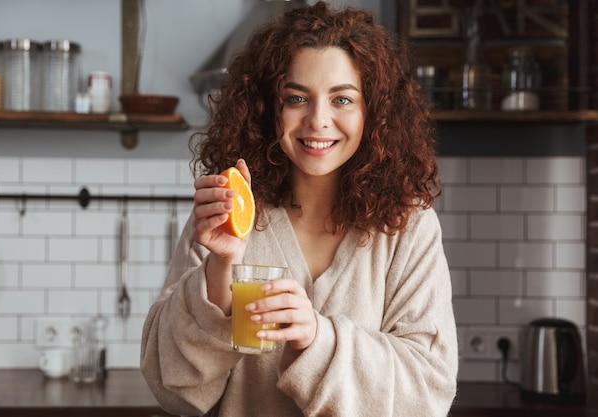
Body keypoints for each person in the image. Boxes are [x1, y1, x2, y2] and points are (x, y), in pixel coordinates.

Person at [140, 2, 458, 416]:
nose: (317, 120)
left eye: (342, 99)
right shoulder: (229, 214)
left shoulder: (408, 226)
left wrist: (318, 341)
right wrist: (218, 272)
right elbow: (173, 389)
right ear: (270, 109)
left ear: (373, 111)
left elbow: (428, 390)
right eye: (296, 98)